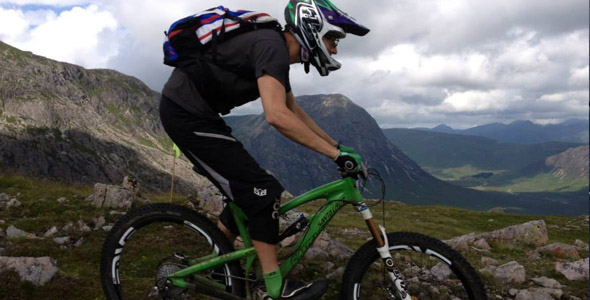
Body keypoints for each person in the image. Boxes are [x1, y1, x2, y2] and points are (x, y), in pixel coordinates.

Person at [159, 0, 369, 299]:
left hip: (198, 115)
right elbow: (276, 115)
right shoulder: (272, 46)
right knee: (262, 190)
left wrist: (337, 146)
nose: (334, 49)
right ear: (313, 29)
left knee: (246, 191)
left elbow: (292, 108)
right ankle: (273, 288)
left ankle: (221, 270)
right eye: (332, 39)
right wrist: (335, 156)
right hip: (185, 115)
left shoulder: (276, 50)